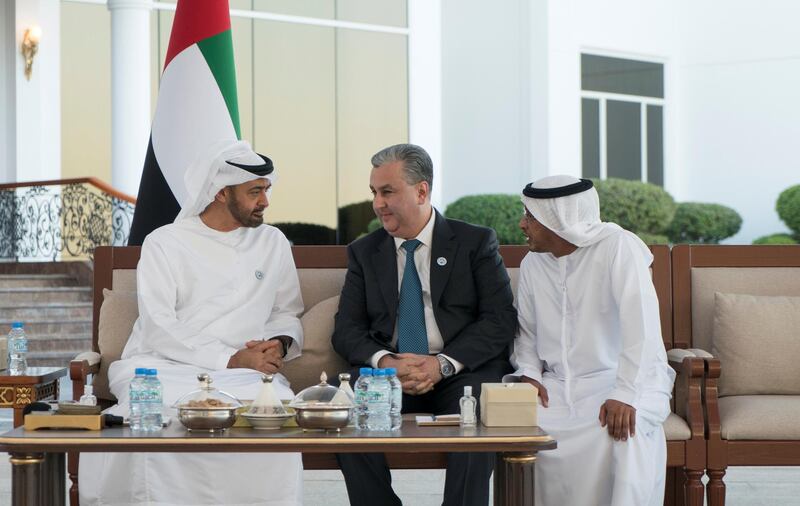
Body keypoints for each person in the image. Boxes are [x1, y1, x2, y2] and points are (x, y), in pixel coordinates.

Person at [79, 140, 305, 506]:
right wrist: (231, 358)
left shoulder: (273, 242)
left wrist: (277, 344)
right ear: (220, 193)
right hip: (161, 367)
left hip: (246, 376)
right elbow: (159, 325)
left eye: (266, 190)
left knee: (274, 415)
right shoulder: (165, 243)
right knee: (146, 418)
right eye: (254, 192)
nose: (265, 201)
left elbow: (286, 311)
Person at [332, 143, 517, 506]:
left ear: (421, 191)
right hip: (389, 376)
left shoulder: (474, 242)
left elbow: (499, 319)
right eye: (374, 192)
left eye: (387, 192)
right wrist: (386, 362)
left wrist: (440, 364)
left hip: (458, 372)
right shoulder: (364, 251)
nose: (377, 203)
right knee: (348, 404)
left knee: (479, 408)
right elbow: (346, 329)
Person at [507, 175, 676, 506]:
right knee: (520, 429)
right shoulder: (532, 263)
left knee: (623, 432)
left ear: (559, 219)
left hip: (626, 377)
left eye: (530, 216)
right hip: (558, 384)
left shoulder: (619, 247)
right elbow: (526, 331)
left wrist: (626, 394)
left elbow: (641, 329)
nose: (522, 224)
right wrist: (529, 373)